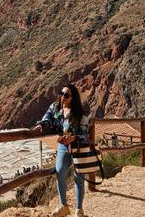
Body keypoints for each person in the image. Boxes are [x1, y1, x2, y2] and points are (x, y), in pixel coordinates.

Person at [33, 83, 89, 217]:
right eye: (61, 93)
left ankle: (79, 210)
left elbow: (84, 134)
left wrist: (74, 138)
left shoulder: (80, 115)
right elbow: (47, 118)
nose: (63, 97)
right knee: (60, 173)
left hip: (78, 147)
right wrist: (41, 125)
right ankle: (64, 206)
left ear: (73, 98)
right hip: (63, 146)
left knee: (79, 178)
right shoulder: (55, 107)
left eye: (67, 95)